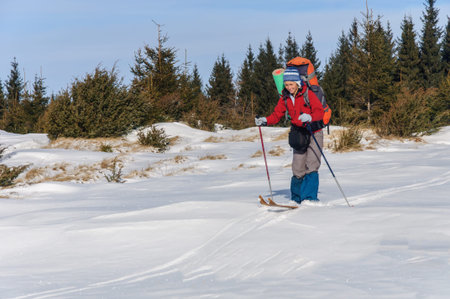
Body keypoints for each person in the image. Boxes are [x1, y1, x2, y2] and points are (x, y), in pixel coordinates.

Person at [255, 66, 324, 204]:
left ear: (297, 83)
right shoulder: (285, 97)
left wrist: (310, 117)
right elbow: (277, 115)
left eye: (291, 84)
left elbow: (319, 112)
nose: (289, 87)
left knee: (312, 165)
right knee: (297, 167)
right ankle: (296, 199)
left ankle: (309, 199)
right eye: (286, 84)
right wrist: (265, 120)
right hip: (299, 134)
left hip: (314, 132)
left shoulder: (308, 94)